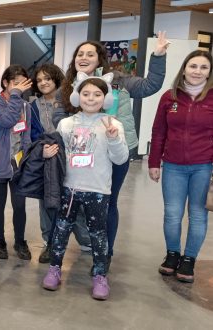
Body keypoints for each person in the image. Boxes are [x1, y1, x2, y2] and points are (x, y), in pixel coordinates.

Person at [55, 33, 170, 270]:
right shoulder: (69, 85)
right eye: (80, 54)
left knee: (109, 202)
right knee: (74, 199)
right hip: (82, 152)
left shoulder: (119, 80)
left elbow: (150, 85)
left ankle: (105, 252)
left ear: (100, 59)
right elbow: (59, 115)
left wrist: (158, 56)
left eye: (90, 54)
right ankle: (83, 244)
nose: (84, 57)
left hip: (117, 149)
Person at [42, 75, 128, 301]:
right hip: (70, 188)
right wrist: (47, 153)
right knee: (61, 230)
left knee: (98, 235)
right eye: (86, 93)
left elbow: (120, 159)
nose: (91, 98)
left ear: (105, 98)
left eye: (97, 94)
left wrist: (113, 138)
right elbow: (57, 153)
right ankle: (54, 268)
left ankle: (100, 275)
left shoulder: (112, 124)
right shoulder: (66, 124)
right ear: (77, 96)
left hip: (98, 190)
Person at [149, 50, 213, 283]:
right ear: (184, 68)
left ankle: (189, 260)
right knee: (173, 214)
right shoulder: (169, 97)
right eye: (193, 66)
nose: (197, 71)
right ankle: (173, 255)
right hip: (173, 166)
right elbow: (159, 132)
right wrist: (154, 162)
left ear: (209, 72)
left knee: (197, 215)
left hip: (204, 167)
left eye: (203, 67)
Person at [30, 63, 91, 263]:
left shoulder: (70, 101)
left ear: (56, 78)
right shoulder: (33, 105)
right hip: (47, 157)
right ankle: (50, 243)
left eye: (47, 78)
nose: (43, 83)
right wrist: (41, 151)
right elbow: (32, 133)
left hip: (71, 158)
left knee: (75, 200)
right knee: (46, 201)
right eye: (39, 80)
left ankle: (87, 240)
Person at [0, 65, 33, 260]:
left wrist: (27, 159)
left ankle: (20, 241)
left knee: (19, 204)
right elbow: (5, 120)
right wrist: (15, 95)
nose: (19, 88)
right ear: (5, 83)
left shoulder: (26, 106)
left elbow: (27, 134)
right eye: (15, 84)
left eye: (22, 84)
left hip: (18, 162)